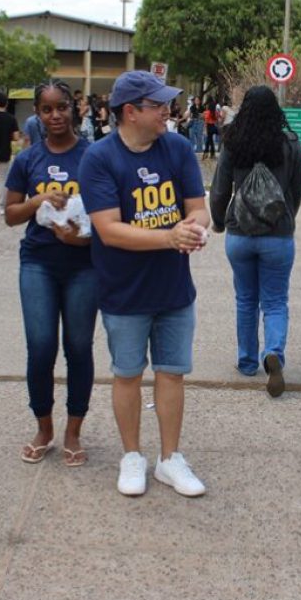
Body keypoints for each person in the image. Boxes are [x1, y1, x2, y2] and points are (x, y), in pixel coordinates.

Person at [80, 71, 211, 498]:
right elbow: (109, 230)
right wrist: (169, 237)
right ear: (131, 112)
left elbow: (199, 208)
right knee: (127, 374)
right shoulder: (99, 158)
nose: (167, 113)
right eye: (157, 106)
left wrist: (194, 229)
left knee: (172, 373)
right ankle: (132, 455)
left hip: (174, 288)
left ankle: (170, 459)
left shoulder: (177, 147)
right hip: (124, 291)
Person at [4, 79, 97, 468]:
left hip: (84, 266)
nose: (55, 115)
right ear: (37, 114)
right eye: (46, 109)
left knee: (78, 348)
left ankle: (73, 431)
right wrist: (39, 199)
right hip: (38, 262)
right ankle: (43, 427)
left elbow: (109, 212)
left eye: (61, 107)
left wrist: (80, 234)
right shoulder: (27, 160)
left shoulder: (94, 156)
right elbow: (10, 215)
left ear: (73, 108)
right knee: (41, 347)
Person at [209, 86, 301, 396]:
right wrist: (288, 218)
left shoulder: (233, 142)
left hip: (240, 233)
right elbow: (297, 188)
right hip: (277, 235)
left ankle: (247, 360)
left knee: (245, 299)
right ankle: (273, 353)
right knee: (275, 301)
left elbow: (220, 188)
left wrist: (220, 221)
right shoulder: (289, 142)